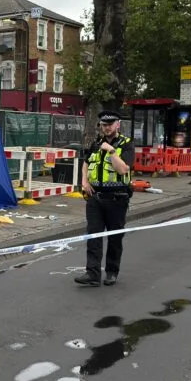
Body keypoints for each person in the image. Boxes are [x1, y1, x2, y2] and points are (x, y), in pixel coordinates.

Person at [74, 111, 135, 287]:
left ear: (118, 124)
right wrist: (84, 181)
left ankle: (111, 272)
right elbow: (86, 163)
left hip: (117, 198)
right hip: (95, 198)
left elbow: (123, 170)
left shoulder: (127, 144)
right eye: (104, 124)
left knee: (114, 237)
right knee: (94, 235)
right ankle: (92, 274)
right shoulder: (96, 144)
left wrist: (112, 151)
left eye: (110, 124)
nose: (107, 127)